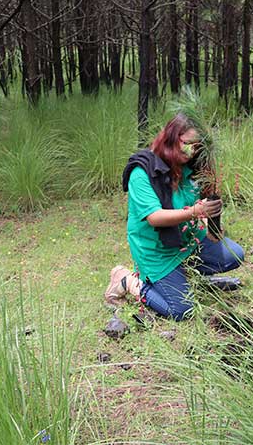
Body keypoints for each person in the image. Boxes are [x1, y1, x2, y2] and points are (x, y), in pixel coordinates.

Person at [105, 113, 245, 320]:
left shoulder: (193, 166)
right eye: (187, 143)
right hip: (157, 251)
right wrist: (195, 212)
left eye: (198, 146)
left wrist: (210, 222)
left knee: (234, 255)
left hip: (188, 241)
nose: (192, 151)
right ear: (171, 138)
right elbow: (154, 217)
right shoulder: (142, 171)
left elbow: (199, 201)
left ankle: (185, 279)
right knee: (181, 310)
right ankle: (128, 281)